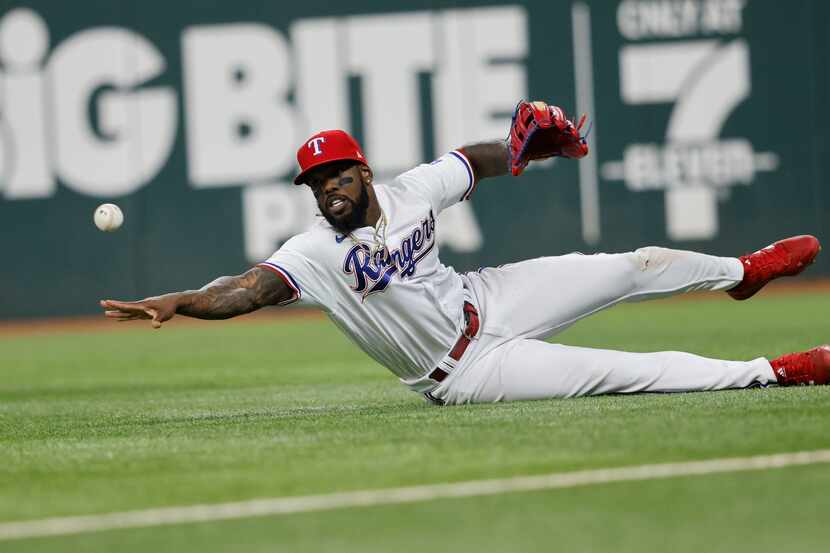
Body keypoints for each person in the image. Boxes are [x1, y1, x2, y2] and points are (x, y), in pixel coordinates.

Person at [100, 101, 828, 405]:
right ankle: (780, 371)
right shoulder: (314, 251)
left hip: (489, 296)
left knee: (628, 265)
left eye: (336, 175)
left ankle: (743, 272)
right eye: (314, 182)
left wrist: (528, 155)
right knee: (628, 372)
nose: (327, 190)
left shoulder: (411, 189)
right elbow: (248, 288)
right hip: (469, 370)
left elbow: (473, 161)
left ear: (363, 169)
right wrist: (180, 301)